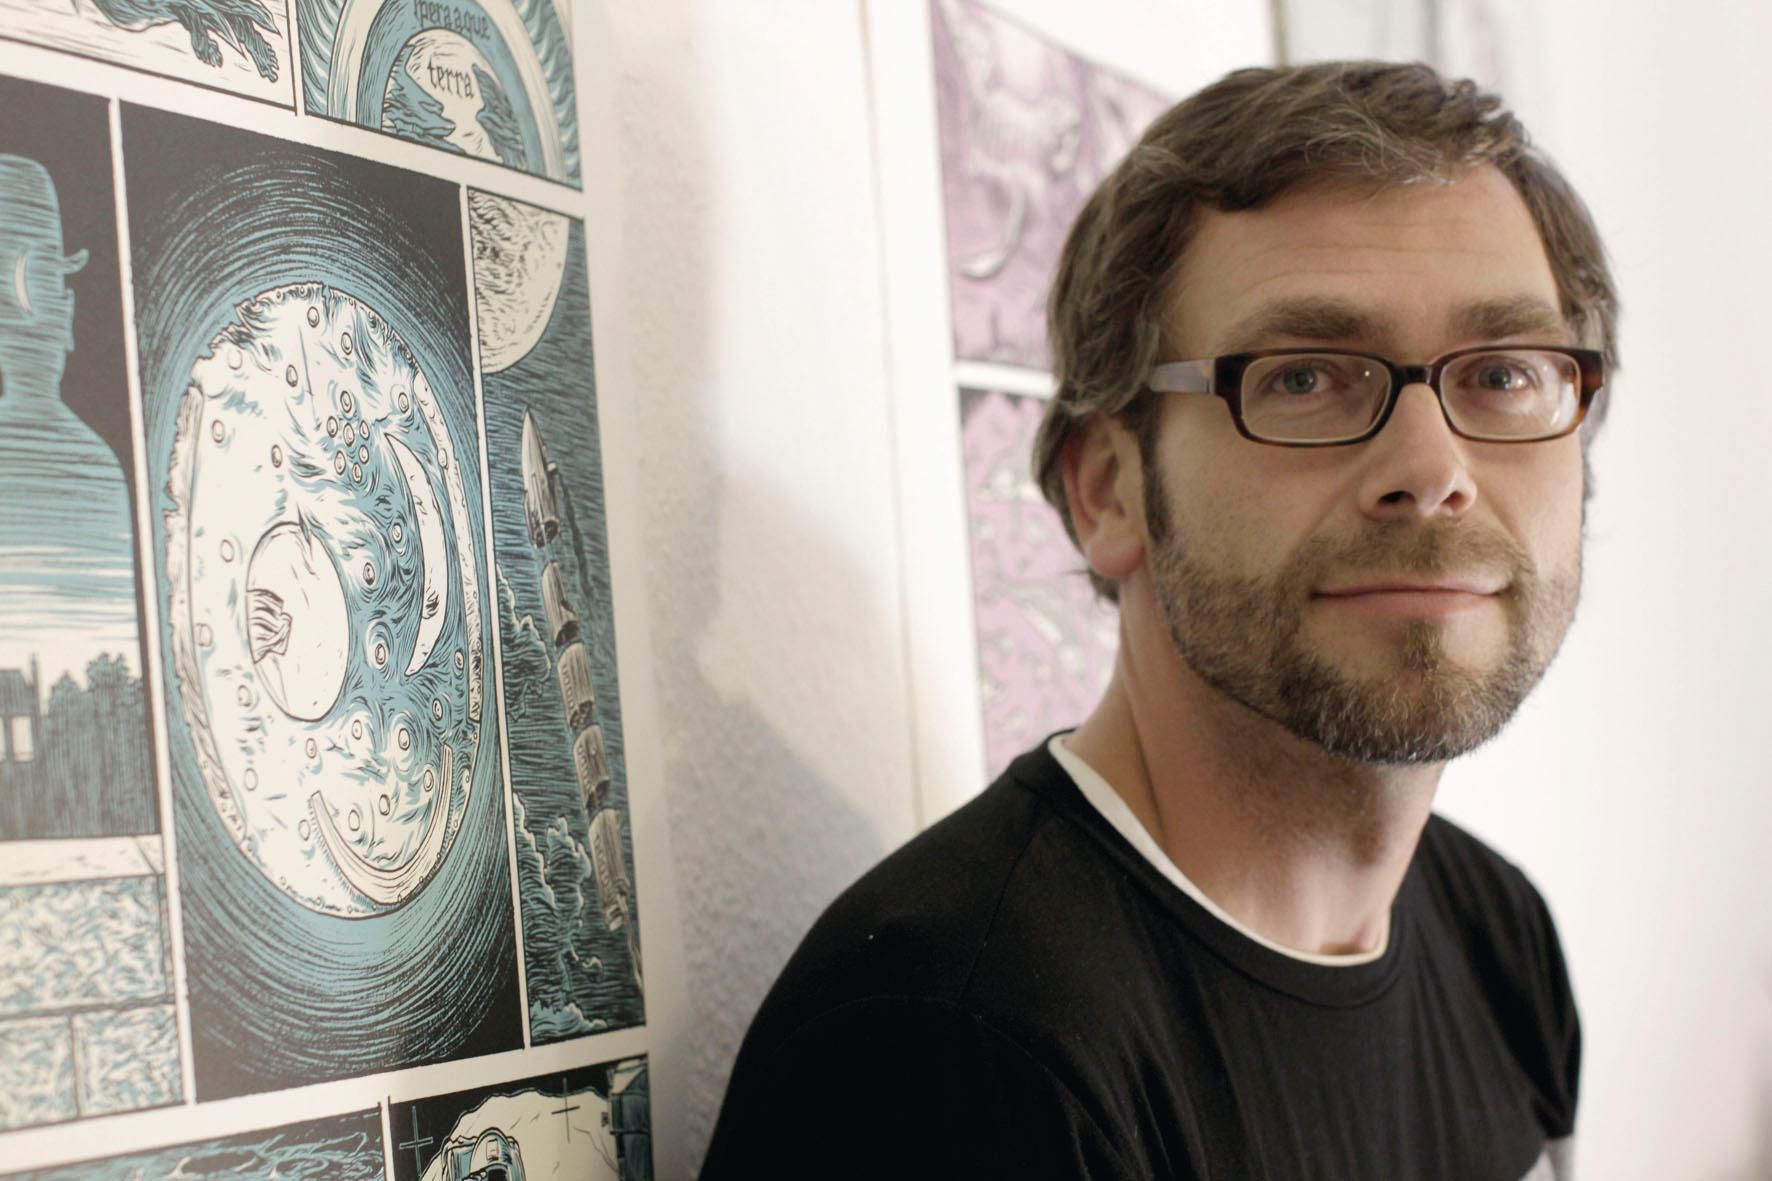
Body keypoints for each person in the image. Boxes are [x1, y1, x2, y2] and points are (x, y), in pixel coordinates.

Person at [700, 60, 1615, 1180]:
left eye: (1505, 375)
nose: (1432, 470)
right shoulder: (951, 1054)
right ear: (1106, 491)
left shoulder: (1499, 935)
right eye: (1301, 377)